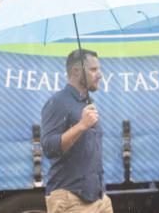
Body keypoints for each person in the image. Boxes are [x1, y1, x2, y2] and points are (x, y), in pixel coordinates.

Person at [40, 49, 113, 213]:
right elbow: (49, 147)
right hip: (71, 200)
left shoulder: (87, 104)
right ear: (75, 71)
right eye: (93, 70)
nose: (100, 75)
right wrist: (81, 126)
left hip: (99, 198)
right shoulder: (58, 102)